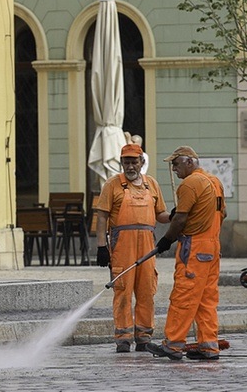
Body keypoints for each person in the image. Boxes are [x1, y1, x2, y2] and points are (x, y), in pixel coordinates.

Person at [146, 145, 227, 361]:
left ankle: (173, 344)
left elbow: (180, 220)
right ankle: (208, 346)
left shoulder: (190, 184)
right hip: (213, 247)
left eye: (176, 163)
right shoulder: (214, 182)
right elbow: (222, 214)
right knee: (205, 299)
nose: (173, 168)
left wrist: (167, 239)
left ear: (189, 161)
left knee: (183, 296)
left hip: (194, 248)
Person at [94, 143, 171, 353]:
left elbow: (161, 215)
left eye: (134, 162)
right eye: (126, 162)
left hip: (147, 246)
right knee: (123, 291)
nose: (130, 166)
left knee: (147, 291)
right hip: (122, 247)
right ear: (121, 163)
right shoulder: (112, 185)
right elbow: (102, 216)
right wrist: (101, 246)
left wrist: (176, 215)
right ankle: (123, 338)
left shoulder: (152, 185)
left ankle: (144, 337)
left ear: (141, 162)